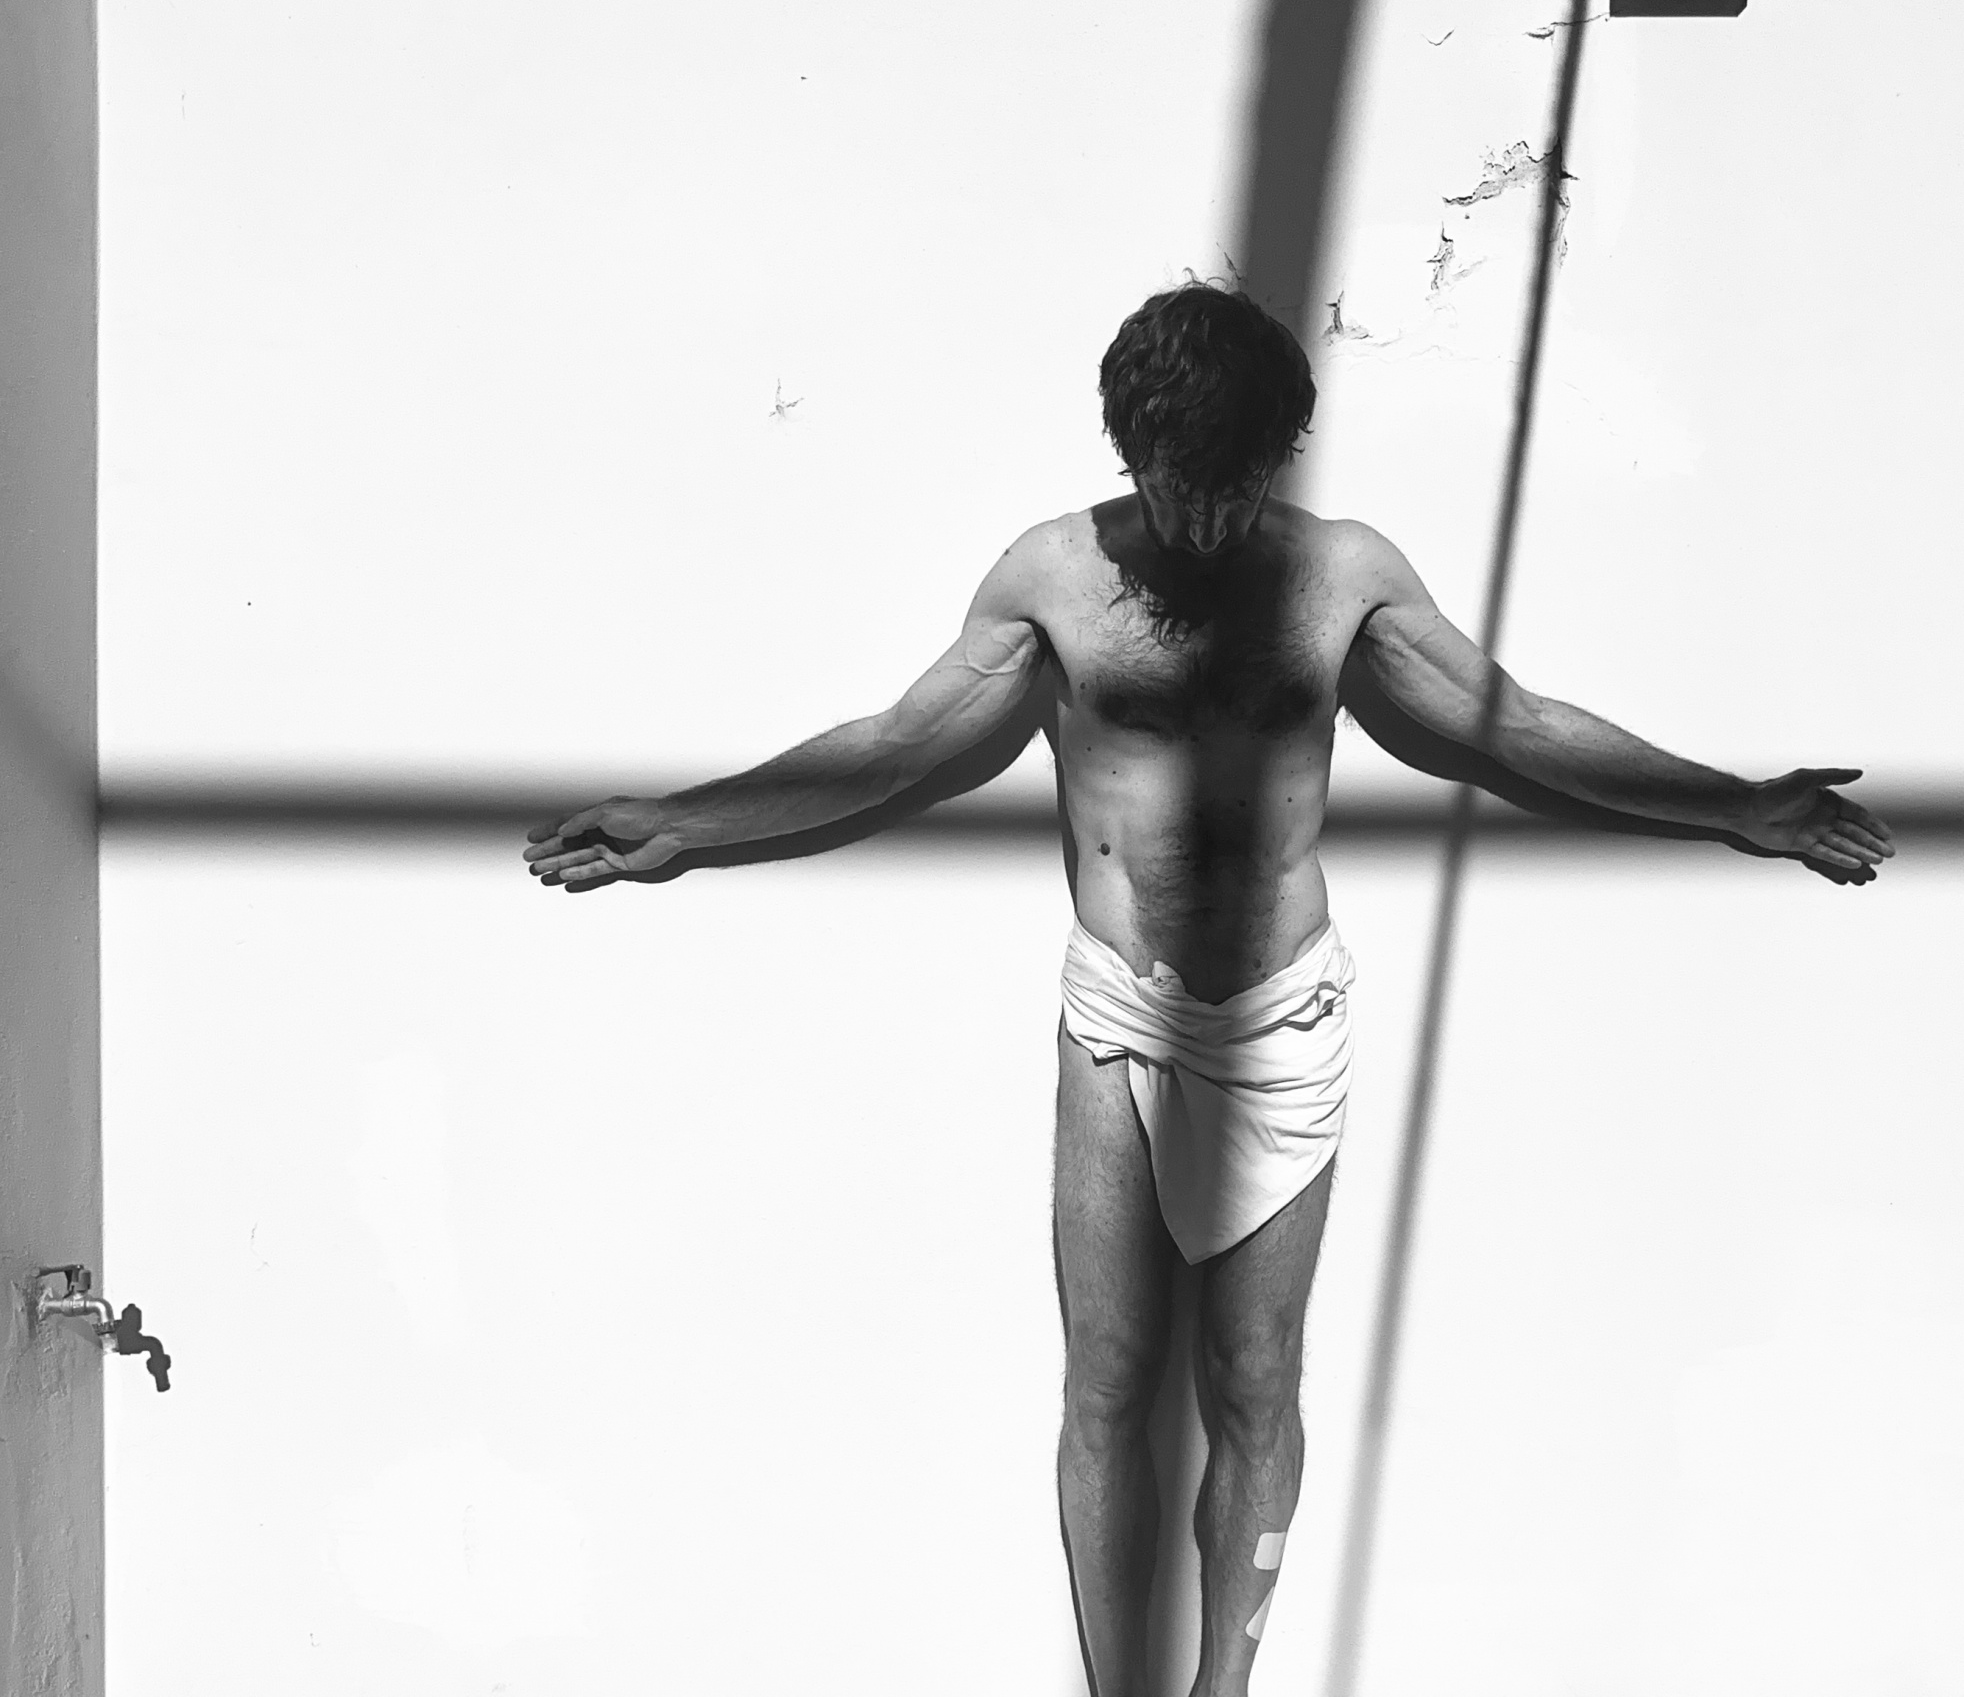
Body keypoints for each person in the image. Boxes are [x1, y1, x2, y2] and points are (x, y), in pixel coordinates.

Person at [521, 281, 1896, 1697]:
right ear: (1132, 453)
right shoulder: (1053, 578)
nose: (1207, 522)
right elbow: (894, 743)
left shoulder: (1341, 577)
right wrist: (685, 823)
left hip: (1284, 1021)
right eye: (1182, 487)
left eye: (1236, 488)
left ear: (1278, 458)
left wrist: (1738, 805)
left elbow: (1519, 725)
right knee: (1107, 1382)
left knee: (1255, 1383)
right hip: (1118, 1017)